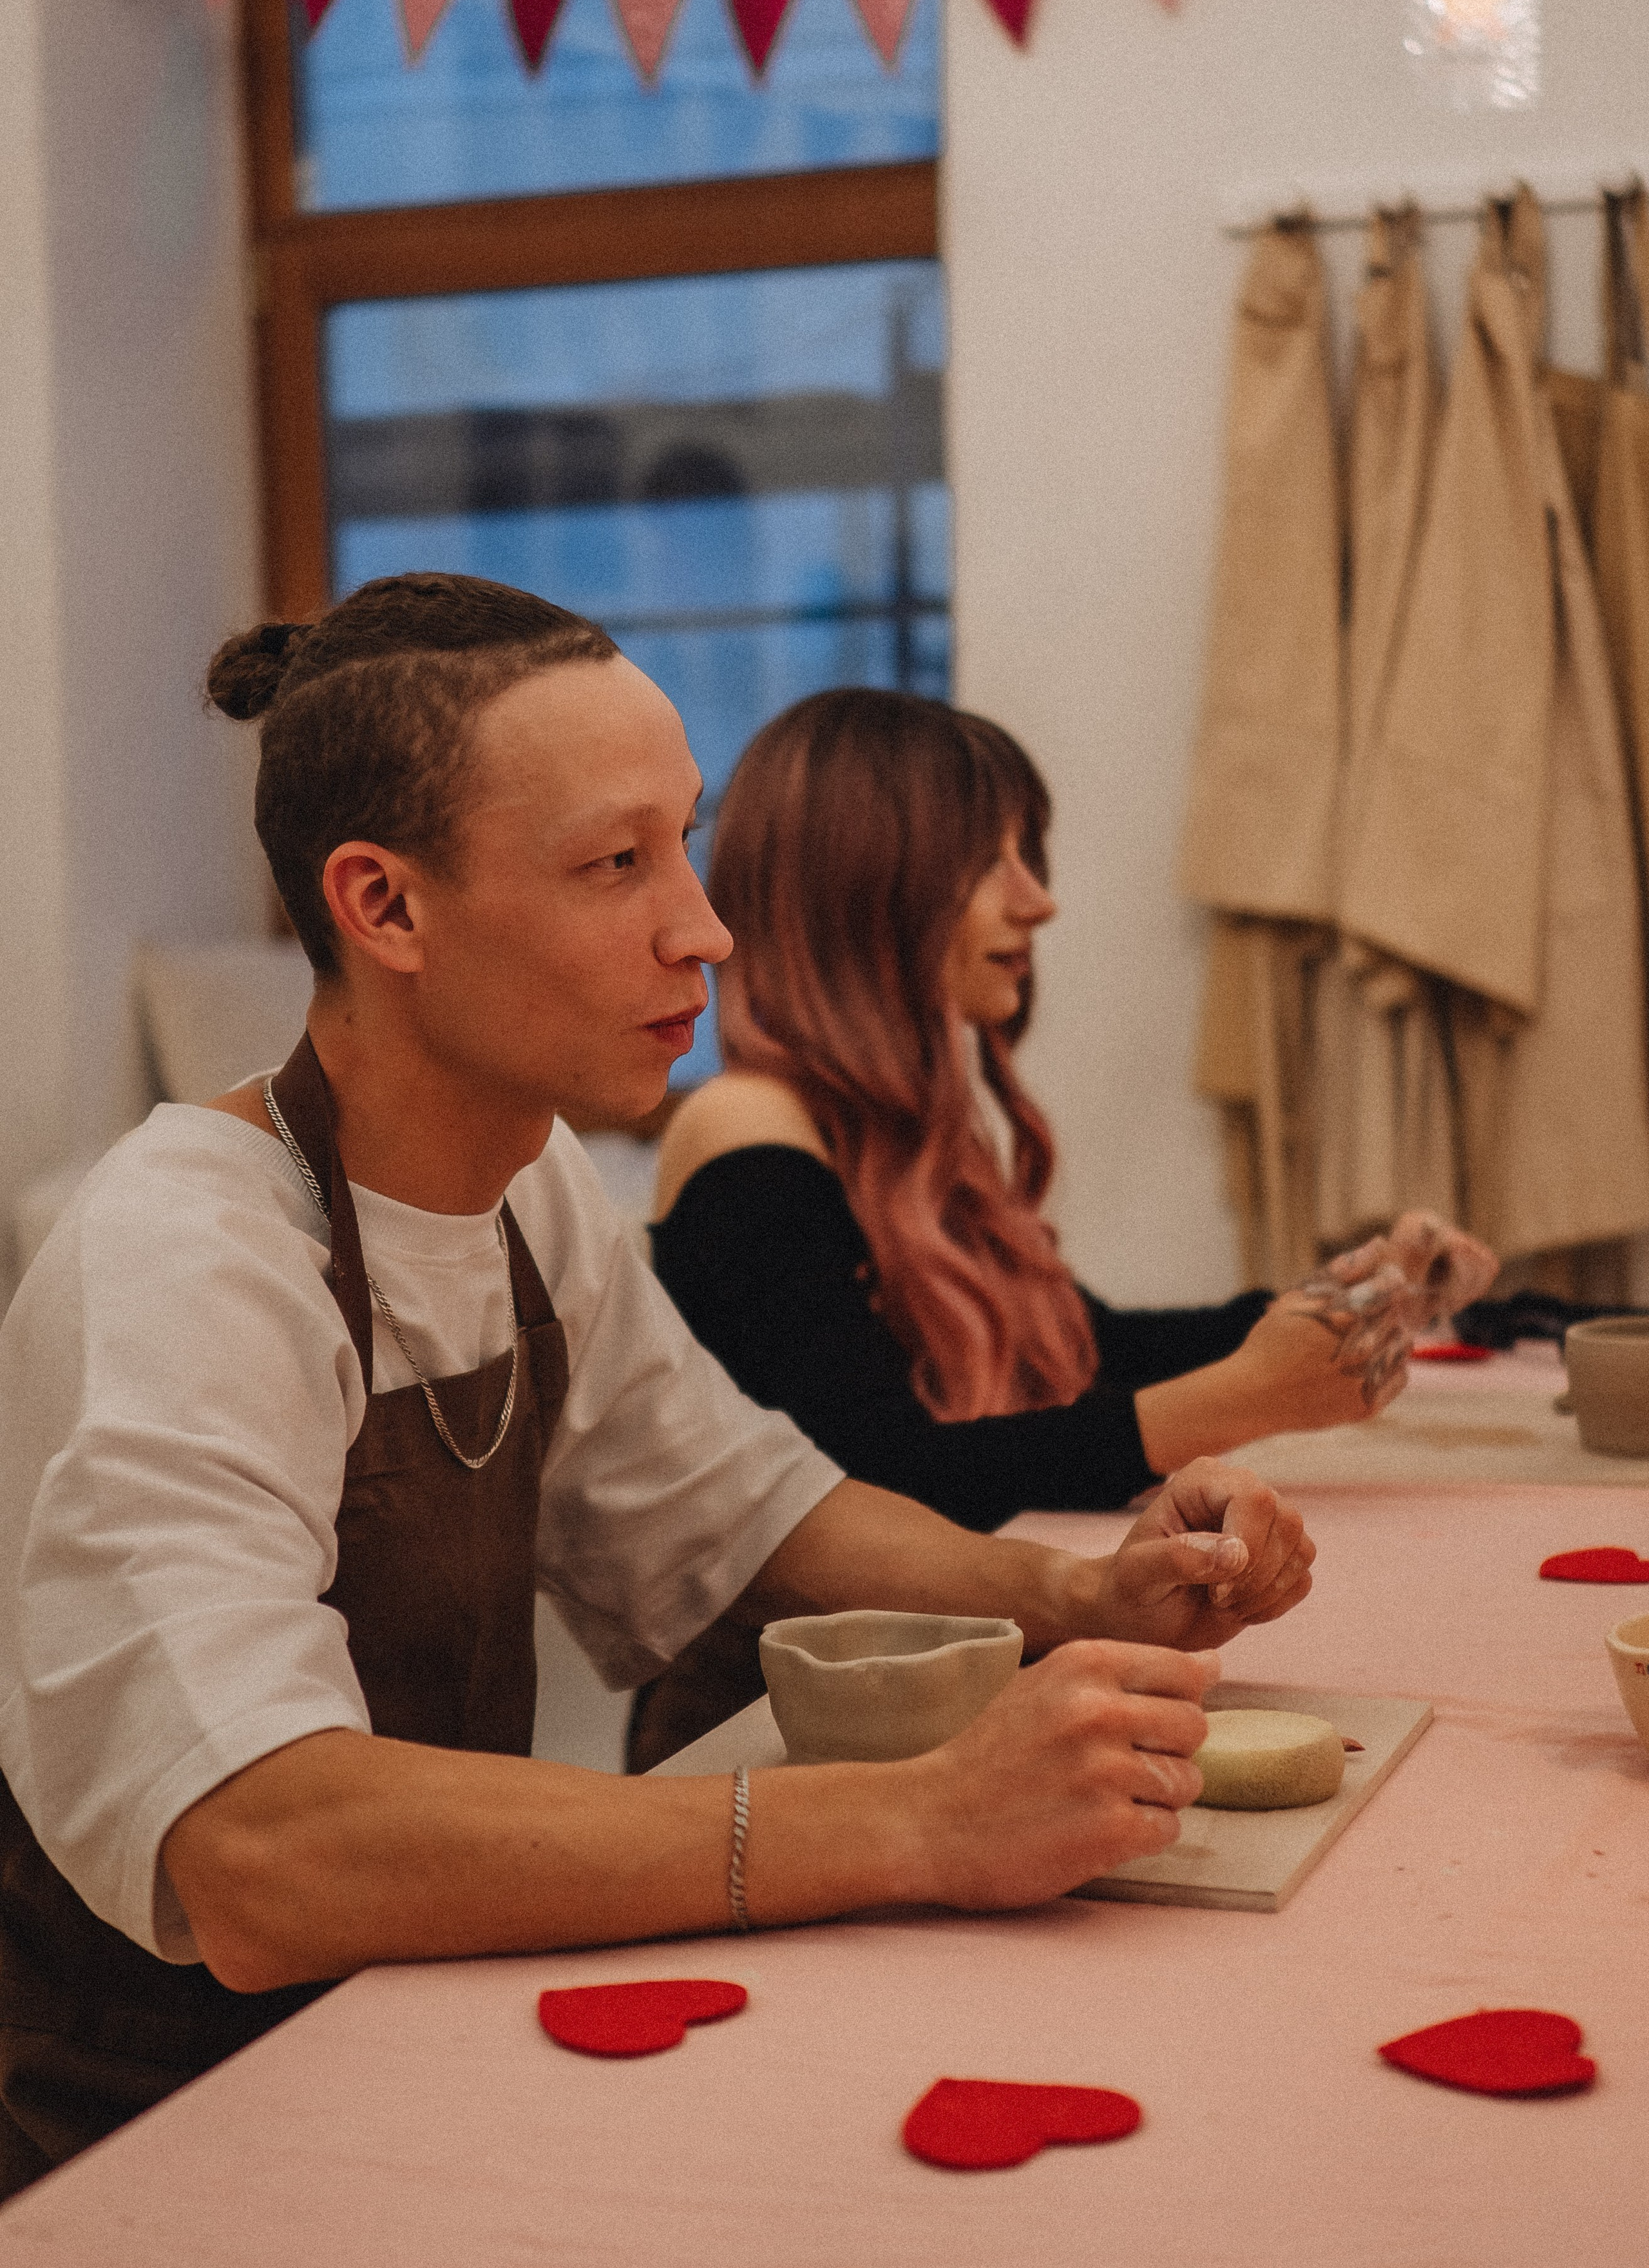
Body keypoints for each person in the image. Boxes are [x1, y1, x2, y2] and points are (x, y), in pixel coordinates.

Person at [0, 575, 1317, 2198]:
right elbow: (261, 1846)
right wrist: (914, 1821)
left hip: (418, 2033)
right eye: (615, 864)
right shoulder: (186, 1258)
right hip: (157, 2143)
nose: (701, 926)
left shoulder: (533, 1189)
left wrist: (1077, 1587)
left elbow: (747, 1501)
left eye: (682, 846)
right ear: (384, 907)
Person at [651, 689, 1498, 1537]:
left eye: (1029, 856)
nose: (1038, 902)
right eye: (987, 862)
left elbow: (1087, 1345)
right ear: (860, 885)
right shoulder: (745, 1129)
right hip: (780, 1671)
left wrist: (1356, 1303)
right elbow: (882, 1479)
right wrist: (1247, 1397)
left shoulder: (888, 1131)